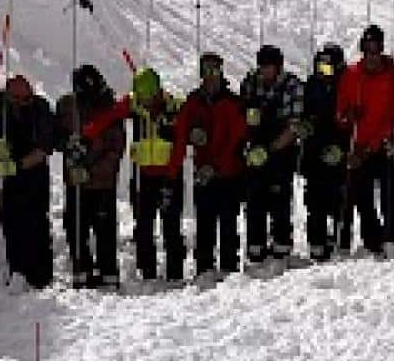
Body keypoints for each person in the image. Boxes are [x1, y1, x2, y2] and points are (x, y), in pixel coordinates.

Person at [0, 68, 58, 289]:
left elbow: (45, 148)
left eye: (25, 98)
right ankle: (17, 271)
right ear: (8, 95)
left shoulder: (40, 107)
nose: (21, 103)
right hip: (4, 172)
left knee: (37, 222)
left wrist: (18, 166)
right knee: (10, 222)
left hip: (33, 171)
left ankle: (41, 276)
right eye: (16, 99)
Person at [57, 63, 129, 289]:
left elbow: (115, 149)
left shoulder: (110, 109)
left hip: (101, 182)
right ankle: (81, 272)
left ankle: (109, 273)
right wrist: (69, 145)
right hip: (75, 182)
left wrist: (89, 170)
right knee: (74, 228)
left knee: (104, 228)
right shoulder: (68, 106)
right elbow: (55, 135)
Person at [178, 50, 249, 279]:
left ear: (221, 72)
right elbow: (180, 131)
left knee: (228, 223)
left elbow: (236, 140)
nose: (209, 75)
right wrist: (191, 135)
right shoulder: (193, 101)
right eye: (205, 70)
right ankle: (204, 269)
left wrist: (216, 166)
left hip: (228, 173)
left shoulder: (231, 102)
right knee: (204, 224)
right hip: (203, 173)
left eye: (213, 70)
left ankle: (228, 270)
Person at [337, 23, 394, 254]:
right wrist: (348, 116)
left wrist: (378, 142)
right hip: (359, 145)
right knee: (362, 197)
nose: (372, 55)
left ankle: (392, 240)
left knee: (388, 196)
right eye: (368, 50)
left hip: (384, 144)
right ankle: (372, 240)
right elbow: (341, 111)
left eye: (376, 50)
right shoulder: (352, 75)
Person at [239, 43, 303, 264]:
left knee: (279, 200)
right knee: (254, 199)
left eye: (268, 66)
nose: (264, 70)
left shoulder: (291, 85)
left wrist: (272, 148)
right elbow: (242, 115)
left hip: (280, 150)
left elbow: (294, 126)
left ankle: (281, 245)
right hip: (256, 149)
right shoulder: (250, 83)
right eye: (261, 66)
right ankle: (255, 247)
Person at [128, 63, 185, 283]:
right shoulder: (134, 107)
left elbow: (180, 146)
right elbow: (111, 115)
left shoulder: (175, 108)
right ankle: (147, 272)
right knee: (143, 224)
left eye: (148, 97)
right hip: (144, 175)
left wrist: (171, 176)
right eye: (141, 97)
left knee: (171, 224)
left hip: (170, 174)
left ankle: (175, 273)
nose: (145, 102)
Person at [299, 40, 352, 261]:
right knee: (314, 199)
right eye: (320, 66)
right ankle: (316, 242)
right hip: (314, 149)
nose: (324, 72)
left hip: (338, 148)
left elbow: (351, 117)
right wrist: (305, 125)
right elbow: (302, 112)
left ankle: (340, 239)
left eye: (328, 67)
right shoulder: (311, 85)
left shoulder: (347, 84)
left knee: (338, 197)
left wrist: (343, 145)